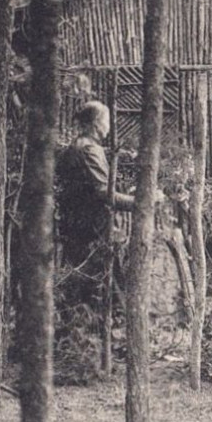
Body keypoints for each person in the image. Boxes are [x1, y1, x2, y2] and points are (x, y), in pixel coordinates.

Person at [57, 100, 134, 305]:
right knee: (106, 289)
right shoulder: (88, 149)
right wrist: (140, 202)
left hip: (81, 228)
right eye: (107, 121)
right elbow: (102, 192)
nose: (109, 126)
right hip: (93, 231)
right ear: (96, 124)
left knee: (86, 290)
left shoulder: (81, 146)